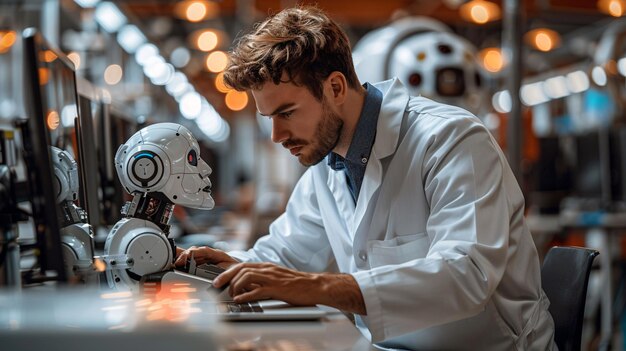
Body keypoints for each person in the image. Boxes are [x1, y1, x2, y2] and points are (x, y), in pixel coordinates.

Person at [175, 6, 556, 350]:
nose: (276, 136)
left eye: (286, 113)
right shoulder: (327, 166)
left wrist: (317, 287)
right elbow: (282, 257)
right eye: (268, 118)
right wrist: (215, 269)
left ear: (335, 88)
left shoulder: (450, 139)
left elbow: (465, 276)